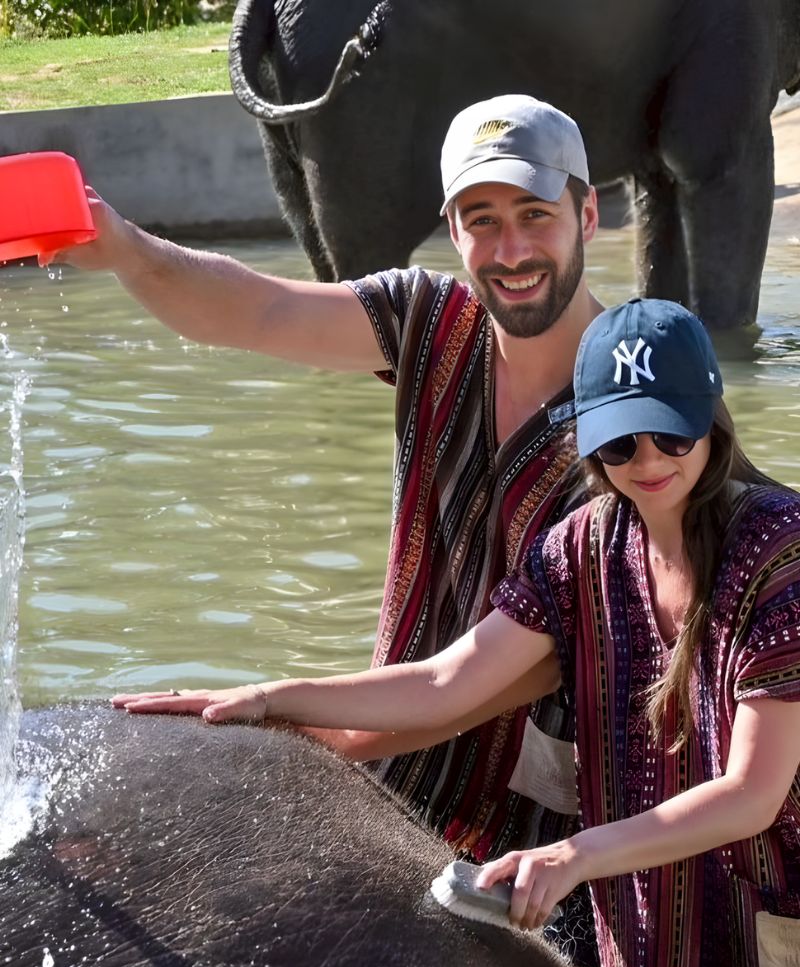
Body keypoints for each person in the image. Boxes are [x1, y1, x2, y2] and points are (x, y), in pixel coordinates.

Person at [116, 299, 800, 967]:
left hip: (777, 883)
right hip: (656, 888)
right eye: (620, 442)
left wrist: (572, 854)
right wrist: (272, 698)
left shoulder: (779, 553)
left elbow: (751, 795)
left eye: (671, 435)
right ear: (589, 442)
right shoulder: (578, 549)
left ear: (709, 421)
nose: (648, 461)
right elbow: (445, 682)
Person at [59, 95, 603, 866]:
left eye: (534, 214)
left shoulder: (637, 410)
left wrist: (290, 733)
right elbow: (259, 310)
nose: (510, 250)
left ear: (587, 214)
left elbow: (496, 680)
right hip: (382, 772)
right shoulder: (431, 319)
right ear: (452, 231)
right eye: (481, 219)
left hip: (541, 840)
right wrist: (123, 249)